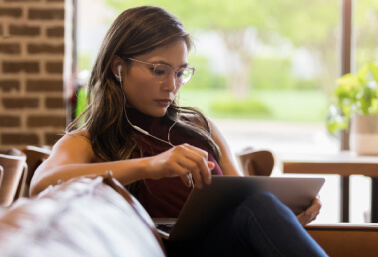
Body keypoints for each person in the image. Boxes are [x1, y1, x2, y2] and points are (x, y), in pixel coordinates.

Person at [30, 6, 327, 257]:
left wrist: (284, 219)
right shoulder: (89, 139)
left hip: (225, 245)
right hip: (162, 249)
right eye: (159, 70)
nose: (172, 86)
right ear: (118, 68)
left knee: (261, 205)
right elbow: (41, 183)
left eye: (180, 72)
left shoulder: (200, 127)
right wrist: (151, 165)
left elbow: (242, 196)